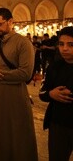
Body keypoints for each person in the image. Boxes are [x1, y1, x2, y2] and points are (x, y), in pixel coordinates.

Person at [0, 7, 37, 161]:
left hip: (15, 96)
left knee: (16, 135)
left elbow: (25, 73)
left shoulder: (23, 43)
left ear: (10, 22)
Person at [39, 26, 73, 161]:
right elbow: (42, 93)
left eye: (71, 45)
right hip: (58, 124)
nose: (64, 48)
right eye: (61, 44)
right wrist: (51, 94)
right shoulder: (54, 67)